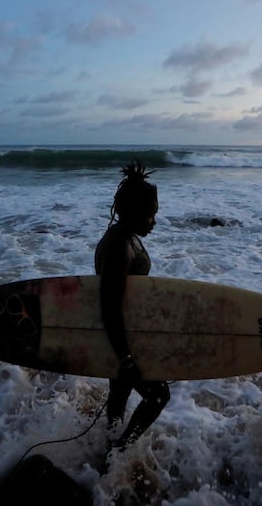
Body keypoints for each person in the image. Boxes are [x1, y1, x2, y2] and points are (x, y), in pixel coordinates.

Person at [95, 160, 170, 451]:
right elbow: (109, 306)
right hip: (120, 338)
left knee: (119, 395)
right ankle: (119, 451)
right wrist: (125, 358)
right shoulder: (118, 247)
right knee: (158, 396)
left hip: (125, 336)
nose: (154, 221)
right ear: (138, 212)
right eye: (151, 215)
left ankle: (107, 444)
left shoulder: (127, 238)